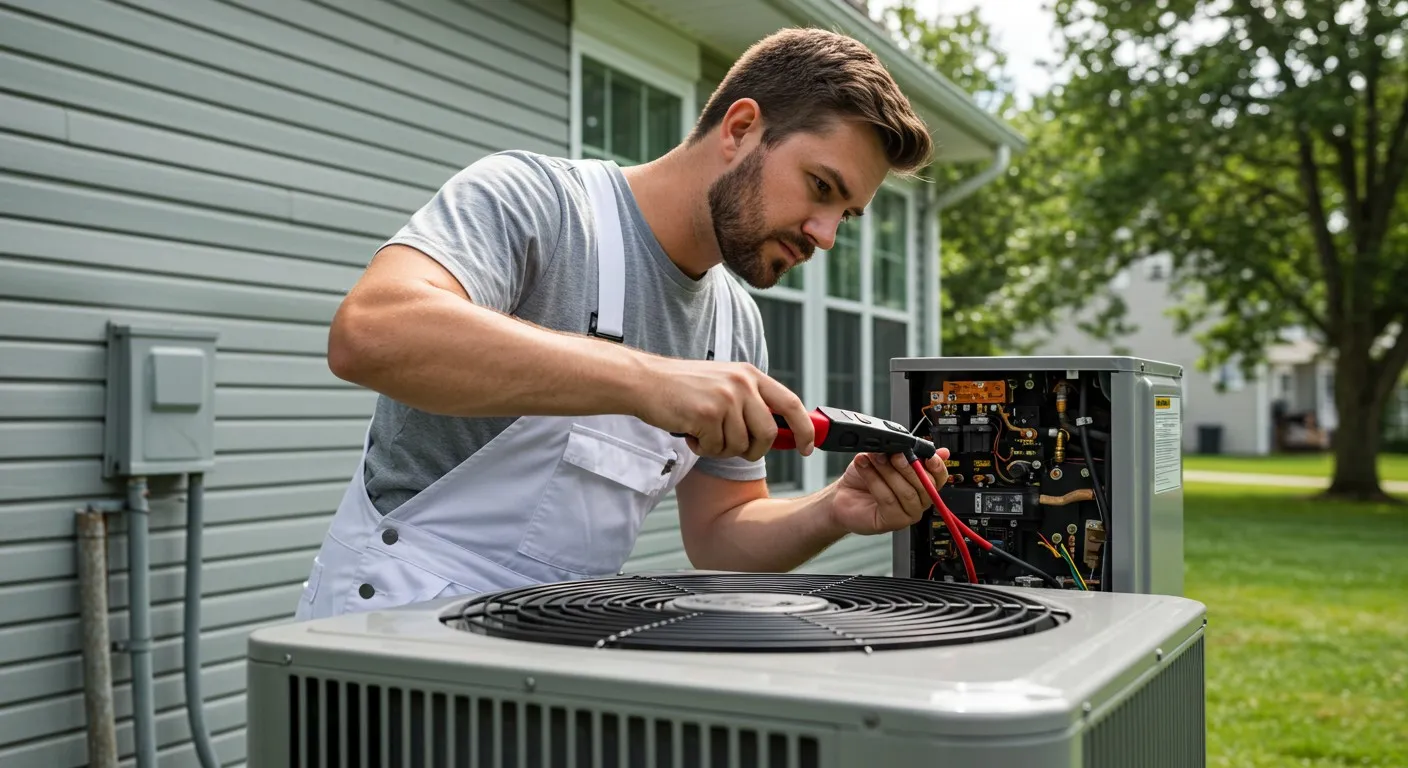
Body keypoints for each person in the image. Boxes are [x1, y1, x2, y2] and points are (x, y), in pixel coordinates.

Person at [293, 27, 951, 621]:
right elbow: (371, 334)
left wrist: (832, 510)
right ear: (741, 128)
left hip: (561, 648)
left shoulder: (733, 325)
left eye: (848, 216)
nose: (827, 235)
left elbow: (720, 531)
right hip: (391, 643)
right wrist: (646, 379)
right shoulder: (536, 202)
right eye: (821, 187)